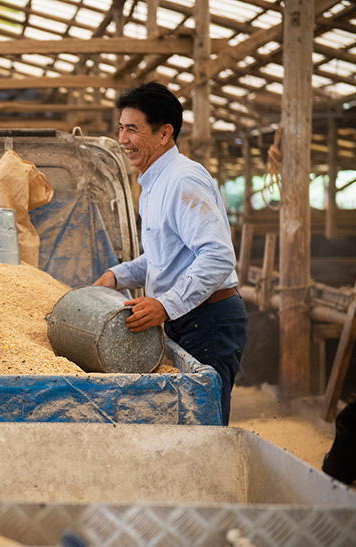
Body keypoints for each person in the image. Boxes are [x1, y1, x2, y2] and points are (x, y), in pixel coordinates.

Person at [93, 82, 248, 425]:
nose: (122, 140)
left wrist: (165, 304)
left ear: (165, 134)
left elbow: (217, 256)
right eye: (121, 128)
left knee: (203, 425)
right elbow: (164, 256)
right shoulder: (153, 184)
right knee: (183, 423)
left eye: (132, 129)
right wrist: (118, 275)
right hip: (188, 317)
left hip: (208, 319)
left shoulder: (183, 179)